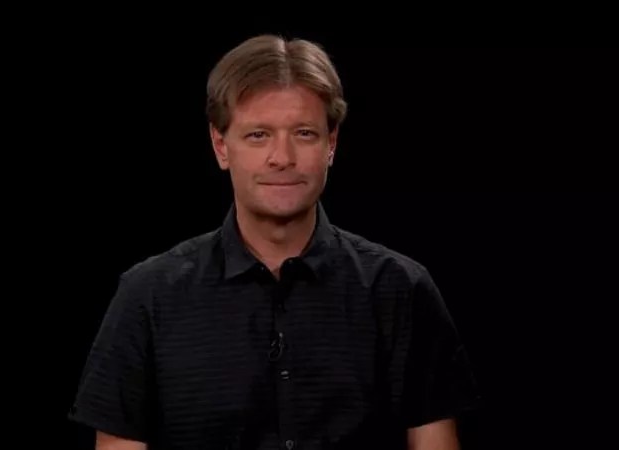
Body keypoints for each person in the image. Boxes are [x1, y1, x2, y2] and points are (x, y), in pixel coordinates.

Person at [68, 34, 479, 449]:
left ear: (331, 144)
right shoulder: (148, 296)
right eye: (258, 135)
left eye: (304, 133)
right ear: (220, 145)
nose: (282, 157)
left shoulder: (401, 291)